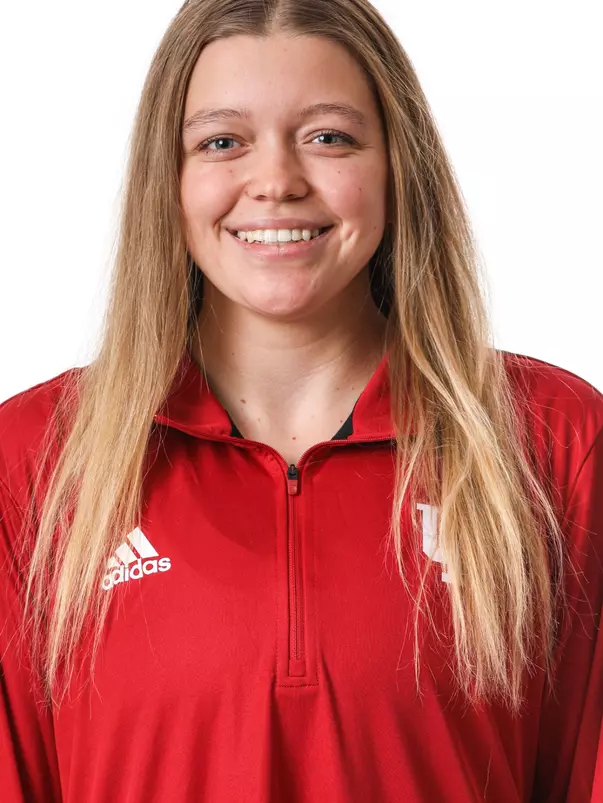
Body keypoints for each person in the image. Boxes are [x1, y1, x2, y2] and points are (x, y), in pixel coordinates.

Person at [1, 0, 601, 800]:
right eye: (222, 141)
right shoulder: (32, 459)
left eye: (328, 137)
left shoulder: (553, 442)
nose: (276, 181)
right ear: (167, 180)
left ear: (396, 166)